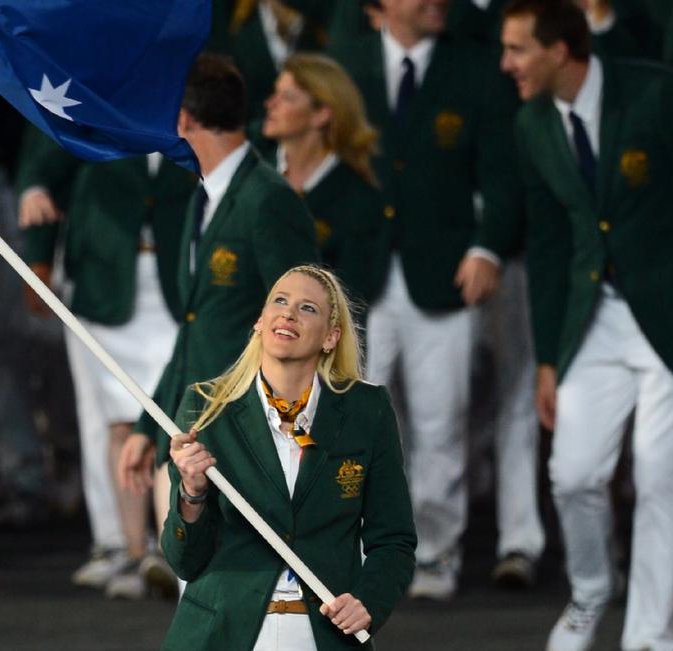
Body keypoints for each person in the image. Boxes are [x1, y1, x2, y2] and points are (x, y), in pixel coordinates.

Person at [500, 0, 673, 651]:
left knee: (661, 478)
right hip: (589, 316)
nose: (506, 64)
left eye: (517, 49)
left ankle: (649, 645)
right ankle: (592, 587)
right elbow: (546, 240)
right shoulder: (531, 122)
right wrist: (548, 354)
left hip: (665, 313)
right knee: (572, 474)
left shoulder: (656, 92)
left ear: (563, 50)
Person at [157, 265, 415, 651]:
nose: (289, 314)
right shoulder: (206, 406)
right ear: (259, 321)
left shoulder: (367, 411)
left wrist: (368, 602)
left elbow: (393, 539)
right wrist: (191, 494)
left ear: (331, 337)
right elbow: (185, 561)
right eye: (279, 301)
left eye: (307, 308)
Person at [331, 0, 524, 600]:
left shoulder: (475, 69)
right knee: (354, 421)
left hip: (443, 274)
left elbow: (504, 171)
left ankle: (437, 553)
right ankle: (354, 550)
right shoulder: (344, 65)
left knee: (442, 419)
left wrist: (489, 247)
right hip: (356, 274)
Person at [117, 54, 319, 597]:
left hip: (257, 439)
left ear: (182, 119)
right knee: (202, 598)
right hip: (197, 431)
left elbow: (309, 322)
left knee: (255, 601)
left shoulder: (269, 202)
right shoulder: (203, 199)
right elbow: (195, 328)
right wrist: (147, 424)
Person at [14, 126, 194, 596]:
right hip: (105, 283)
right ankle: (135, 554)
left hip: (181, 287)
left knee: (176, 425)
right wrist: (38, 256)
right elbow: (40, 171)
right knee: (120, 424)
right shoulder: (99, 96)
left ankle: (173, 550)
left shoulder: (188, 98)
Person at [259, 52, 383, 313]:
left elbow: (352, 297)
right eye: (275, 93)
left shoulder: (358, 195)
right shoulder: (252, 176)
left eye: (288, 97)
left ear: (321, 115)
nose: (270, 103)